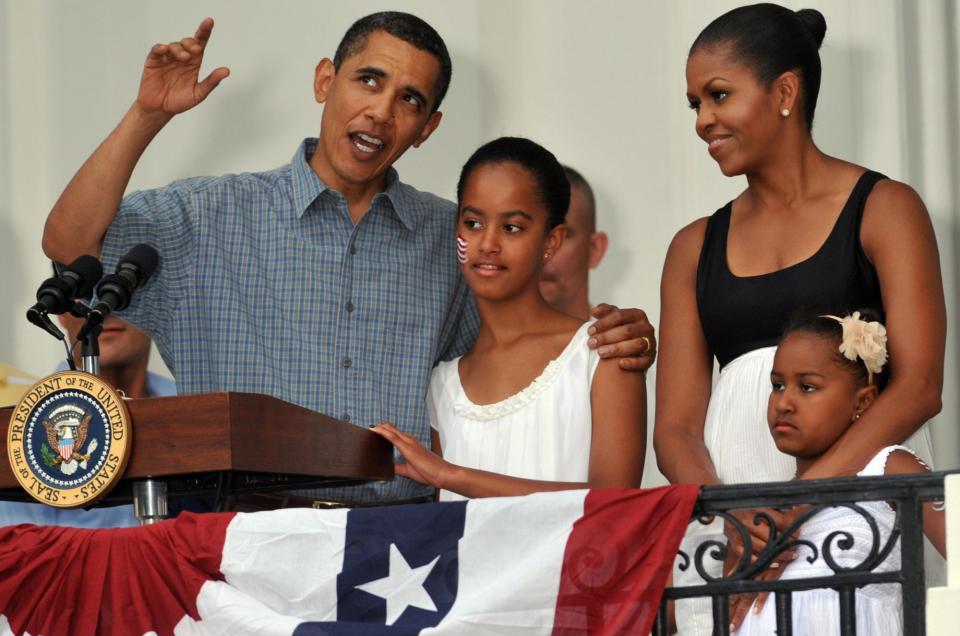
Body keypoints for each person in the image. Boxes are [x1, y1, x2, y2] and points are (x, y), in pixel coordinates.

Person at [41, 13, 655, 506]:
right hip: (235, 544)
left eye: (409, 99)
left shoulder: (454, 237)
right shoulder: (209, 215)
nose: (382, 110)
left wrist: (608, 334)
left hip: (402, 560)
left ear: (427, 128)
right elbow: (68, 245)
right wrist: (148, 115)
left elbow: (522, 349)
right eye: (368, 80)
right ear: (323, 81)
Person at [653, 5, 945, 636]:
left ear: (785, 91)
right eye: (695, 102)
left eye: (719, 95)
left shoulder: (885, 208)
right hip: (732, 532)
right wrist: (734, 518)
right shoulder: (692, 247)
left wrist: (795, 504)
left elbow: (920, 386)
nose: (703, 120)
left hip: (851, 522)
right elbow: (673, 428)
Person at [373, 137, 645, 499]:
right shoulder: (442, 385)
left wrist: (452, 476)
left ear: (551, 242)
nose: (487, 244)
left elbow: (615, 504)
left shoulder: (602, 353)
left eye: (512, 227)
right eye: (472, 223)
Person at [727, 310, 945, 636]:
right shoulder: (765, 510)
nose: (784, 402)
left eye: (808, 387)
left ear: (863, 402)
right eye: (777, 385)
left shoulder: (888, 468)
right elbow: (727, 621)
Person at [0, 291, 176, 528]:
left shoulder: (198, 409)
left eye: (122, 292)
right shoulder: (19, 425)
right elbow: (25, 555)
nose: (105, 310)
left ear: (157, 305)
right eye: (86, 293)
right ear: (61, 310)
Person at [539, 166, 608, 321]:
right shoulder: (477, 342)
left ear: (595, 249)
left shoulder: (627, 342)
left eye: (561, 236)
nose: (542, 252)